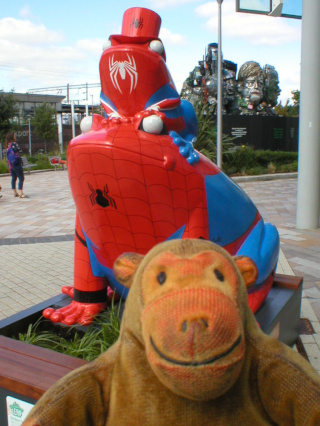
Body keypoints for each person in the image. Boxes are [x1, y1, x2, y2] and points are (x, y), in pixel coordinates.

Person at [5, 132, 25, 198]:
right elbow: (19, 150)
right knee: (21, 177)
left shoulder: (7, 145)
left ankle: (15, 192)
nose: (15, 136)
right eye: (14, 135)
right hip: (16, 163)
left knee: (14, 178)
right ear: (12, 137)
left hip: (11, 164)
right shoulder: (14, 144)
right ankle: (20, 192)